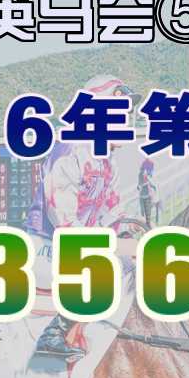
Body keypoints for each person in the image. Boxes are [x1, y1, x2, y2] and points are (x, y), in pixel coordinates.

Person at [27, 74, 141, 358]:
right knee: (103, 267)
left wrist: (129, 238)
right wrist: (109, 245)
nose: (126, 122)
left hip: (78, 244)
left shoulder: (108, 163)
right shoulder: (70, 149)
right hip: (47, 243)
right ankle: (53, 333)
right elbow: (63, 218)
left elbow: (114, 214)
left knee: (134, 266)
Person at [137, 158, 158, 228]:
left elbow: (152, 185)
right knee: (143, 214)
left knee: (148, 215)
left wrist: (152, 186)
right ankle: (145, 227)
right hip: (142, 196)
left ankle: (148, 227)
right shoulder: (141, 174)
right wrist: (143, 184)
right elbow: (140, 184)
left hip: (148, 196)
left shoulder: (148, 175)